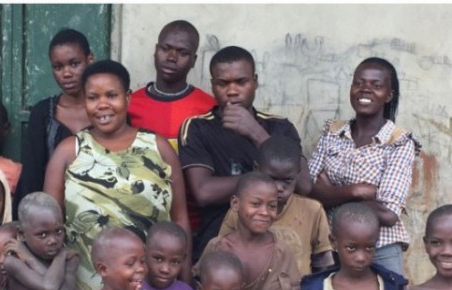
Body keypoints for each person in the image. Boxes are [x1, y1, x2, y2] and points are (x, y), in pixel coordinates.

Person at [44, 59, 190, 290]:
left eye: (111, 95)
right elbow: (48, 225)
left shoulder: (158, 148)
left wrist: (184, 287)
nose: (102, 105)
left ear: (128, 98)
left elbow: (180, 221)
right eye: (93, 97)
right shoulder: (69, 151)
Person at [178, 46, 310, 261]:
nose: (232, 91)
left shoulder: (280, 127)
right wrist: (267, 179)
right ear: (212, 85)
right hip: (221, 245)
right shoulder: (198, 127)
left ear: (255, 82)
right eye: (222, 84)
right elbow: (203, 192)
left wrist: (257, 134)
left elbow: (304, 185)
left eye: (241, 82)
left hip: (281, 243)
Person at [308, 57, 421, 275]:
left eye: (376, 85)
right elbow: (310, 191)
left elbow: (388, 214)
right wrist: (356, 191)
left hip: (379, 247)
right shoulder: (332, 133)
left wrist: (331, 193)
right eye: (359, 83)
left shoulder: (398, 143)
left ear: (389, 95)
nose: (365, 89)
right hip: (332, 246)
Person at [128, 20, 215, 234]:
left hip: (196, 224)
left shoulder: (208, 107)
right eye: (165, 48)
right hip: (139, 221)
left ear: (194, 60)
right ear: (155, 50)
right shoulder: (130, 104)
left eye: (182, 52)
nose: (171, 57)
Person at [196, 172, 301, 290]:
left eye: (272, 206)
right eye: (256, 204)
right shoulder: (217, 247)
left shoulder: (281, 253)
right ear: (235, 204)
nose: (264, 212)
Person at [219, 135, 333, 275]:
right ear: (256, 169)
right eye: (271, 178)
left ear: (298, 175)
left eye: (287, 180)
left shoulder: (312, 210)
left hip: (299, 288)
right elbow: (222, 254)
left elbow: (322, 264)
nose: (279, 188)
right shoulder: (241, 211)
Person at [16, 28, 94, 215]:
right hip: (50, 216)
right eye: (58, 67)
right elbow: (32, 175)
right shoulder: (43, 114)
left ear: (89, 60)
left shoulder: (106, 112)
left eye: (74, 64)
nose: (66, 73)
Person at [143, 221, 199, 290]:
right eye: (158, 259)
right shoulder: (132, 288)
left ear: (183, 260)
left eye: (175, 262)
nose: (165, 269)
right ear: (144, 252)